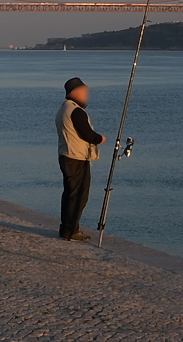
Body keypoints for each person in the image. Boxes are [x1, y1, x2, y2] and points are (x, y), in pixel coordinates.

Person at [56, 77, 106, 243]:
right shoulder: (76, 111)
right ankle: (72, 231)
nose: (86, 95)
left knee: (70, 194)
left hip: (66, 156)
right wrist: (100, 139)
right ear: (75, 92)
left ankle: (66, 229)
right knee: (78, 196)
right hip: (76, 158)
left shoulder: (64, 109)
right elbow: (88, 134)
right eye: (85, 92)